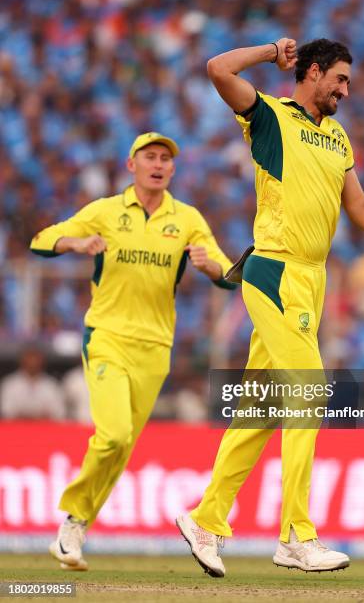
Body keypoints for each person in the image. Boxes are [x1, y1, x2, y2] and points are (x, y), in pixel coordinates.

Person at [176, 38, 364, 577]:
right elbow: (217, 67)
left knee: (260, 413)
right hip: (274, 269)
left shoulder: (338, 137)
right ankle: (296, 535)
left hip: (312, 280)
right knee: (309, 390)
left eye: (349, 83)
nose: (344, 90)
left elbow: (357, 208)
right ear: (311, 72)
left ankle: (205, 520)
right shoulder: (269, 117)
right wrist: (270, 51)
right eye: (338, 79)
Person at [30, 131, 236, 571]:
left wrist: (209, 265)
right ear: (132, 165)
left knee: (122, 448)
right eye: (149, 157)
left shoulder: (187, 219)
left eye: (165, 158)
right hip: (106, 336)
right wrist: (76, 244)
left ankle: (75, 525)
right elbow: (43, 239)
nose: (158, 164)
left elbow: (226, 273)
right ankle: (72, 521)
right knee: (115, 434)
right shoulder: (105, 211)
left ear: (173, 169)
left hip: (156, 348)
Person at [0, 344, 64, 420]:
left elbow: (59, 413)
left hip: (45, 429)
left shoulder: (51, 384)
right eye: (29, 357)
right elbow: (6, 412)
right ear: (22, 360)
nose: (33, 362)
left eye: (36, 358)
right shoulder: (9, 383)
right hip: (16, 429)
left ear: (42, 360)